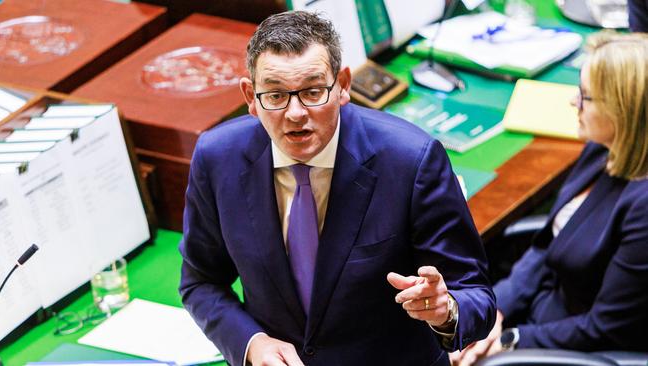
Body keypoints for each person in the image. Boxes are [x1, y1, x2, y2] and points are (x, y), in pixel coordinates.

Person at [179, 10, 495, 366]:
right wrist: (252, 343)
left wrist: (446, 309)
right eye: (276, 96)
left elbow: (476, 296)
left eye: (313, 91)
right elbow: (201, 283)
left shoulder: (411, 161)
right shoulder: (218, 158)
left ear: (343, 85)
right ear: (250, 96)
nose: (296, 113)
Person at [450, 31, 648, 366]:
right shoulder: (601, 149)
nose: (574, 102)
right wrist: (494, 311)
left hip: (579, 342)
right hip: (542, 303)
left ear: (622, 111)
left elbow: (604, 328)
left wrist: (508, 340)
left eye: (586, 96)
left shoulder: (643, 210)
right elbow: (546, 245)